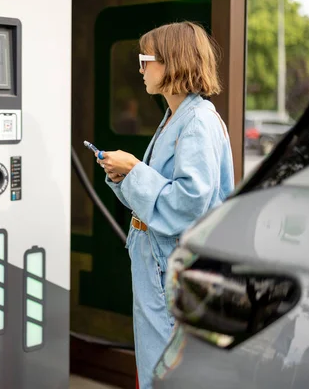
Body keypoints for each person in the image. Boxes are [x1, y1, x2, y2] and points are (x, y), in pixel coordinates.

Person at [94, 21, 235, 389]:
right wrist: (121, 174)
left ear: (173, 62)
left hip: (172, 272)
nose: (140, 69)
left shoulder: (198, 121)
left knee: (168, 371)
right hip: (158, 265)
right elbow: (154, 198)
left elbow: (188, 203)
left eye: (145, 60)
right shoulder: (175, 116)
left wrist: (135, 170)